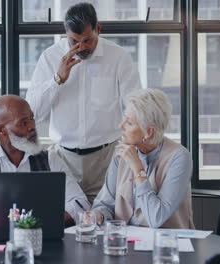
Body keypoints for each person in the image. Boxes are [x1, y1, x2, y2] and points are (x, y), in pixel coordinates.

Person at [26, 2, 142, 204]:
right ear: (66, 33)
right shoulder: (50, 58)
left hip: (106, 158)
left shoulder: (118, 57)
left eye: (87, 40)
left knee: (106, 223)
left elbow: (135, 108)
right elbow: (33, 112)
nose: (81, 47)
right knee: (63, 222)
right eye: (74, 41)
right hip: (63, 159)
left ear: (98, 29)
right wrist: (57, 80)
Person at [0, 95, 90, 226]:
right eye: (23, 123)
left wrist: (37, 221)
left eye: (32, 119)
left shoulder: (51, 159)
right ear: (0, 130)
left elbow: (81, 204)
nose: (32, 127)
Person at [91, 89, 194, 229]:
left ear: (149, 131)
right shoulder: (121, 153)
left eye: (129, 123)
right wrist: (98, 215)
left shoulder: (179, 157)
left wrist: (137, 167)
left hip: (168, 246)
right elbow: (105, 203)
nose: (121, 126)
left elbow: (156, 218)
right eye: (124, 119)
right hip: (125, 243)